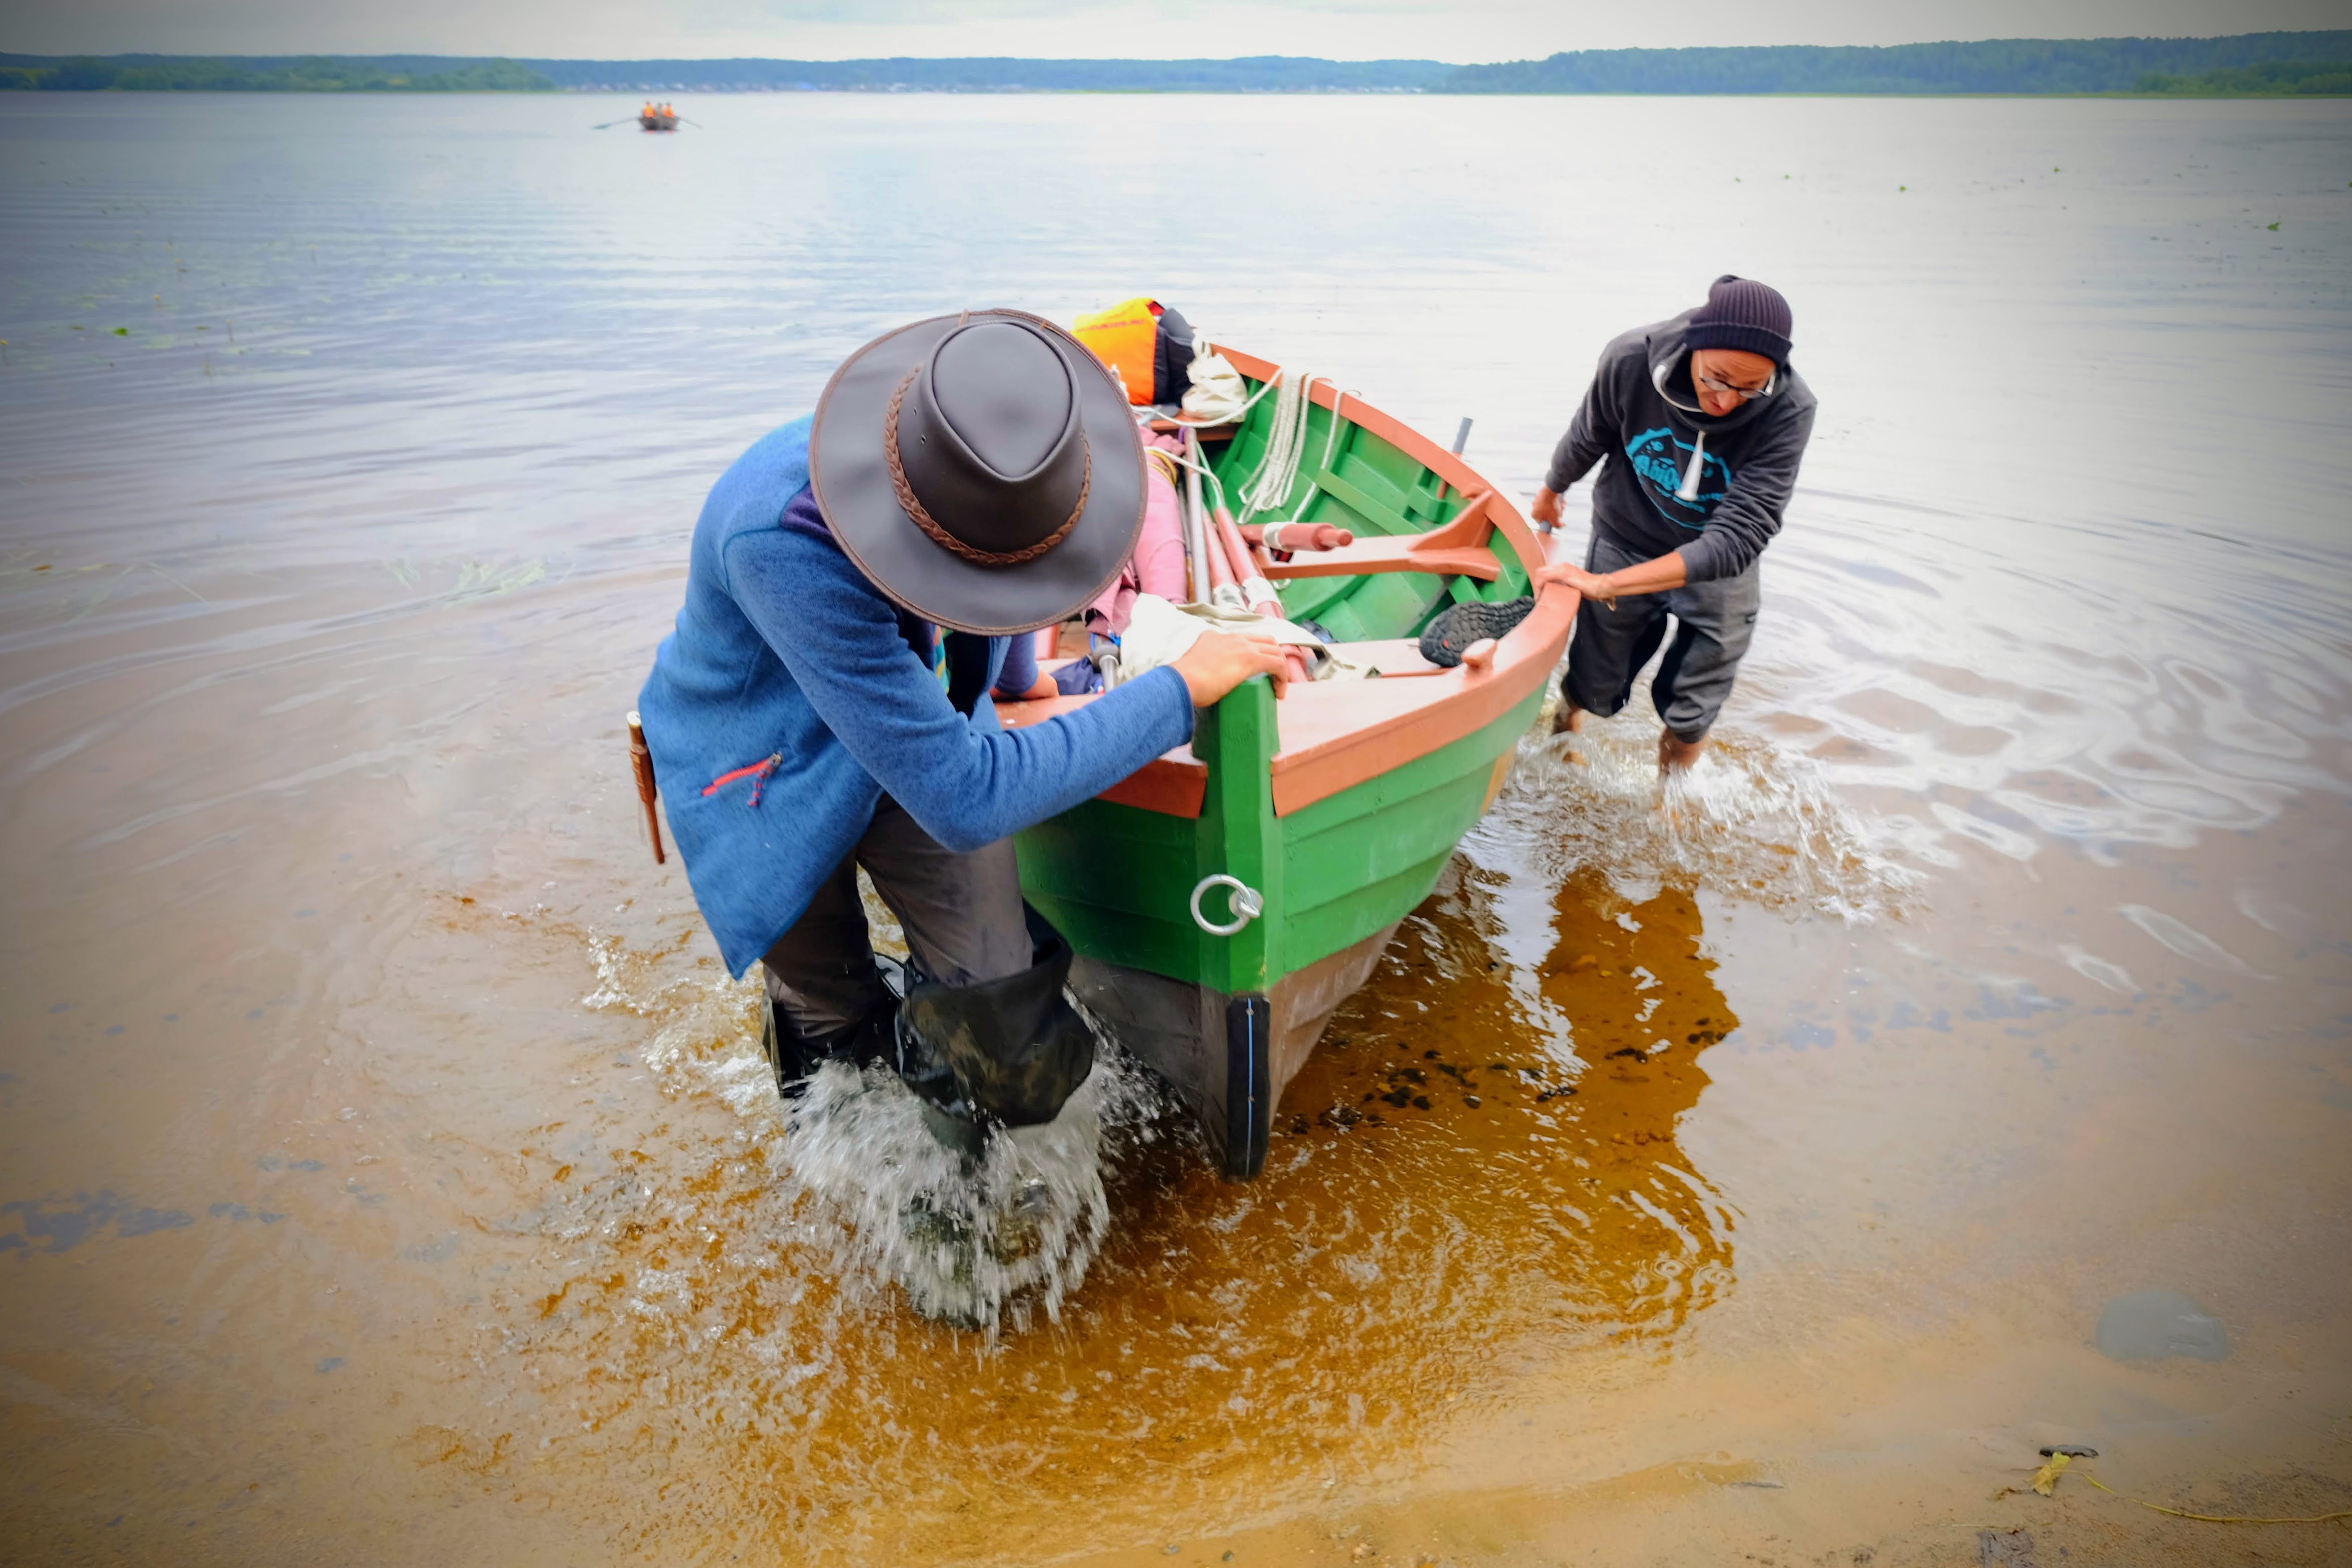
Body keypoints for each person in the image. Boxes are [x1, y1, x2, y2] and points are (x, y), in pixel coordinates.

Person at [635, 310, 1286, 1143]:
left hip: (915, 721)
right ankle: (880, 1188)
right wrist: (1175, 690)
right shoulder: (783, 535)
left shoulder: (1000, 479)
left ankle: (970, 1173)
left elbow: (1007, 578)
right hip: (763, 760)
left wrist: (1022, 679)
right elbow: (964, 798)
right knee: (834, 1024)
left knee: (999, 1021)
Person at [1530, 275, 1817, 772]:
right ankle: (1563, 730)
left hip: (1718, 567)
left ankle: (1672, 797)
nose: (1727, 400)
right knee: (1593, 682)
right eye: (1719, 378)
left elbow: (1736, 540)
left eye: (1750, 388)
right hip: (1627, 534)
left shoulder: (1789, 409)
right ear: (1694, 347)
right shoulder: (1629, 361)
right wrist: (1552, 491)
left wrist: (1603, 584)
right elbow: (1589, 432)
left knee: (1695, 709)